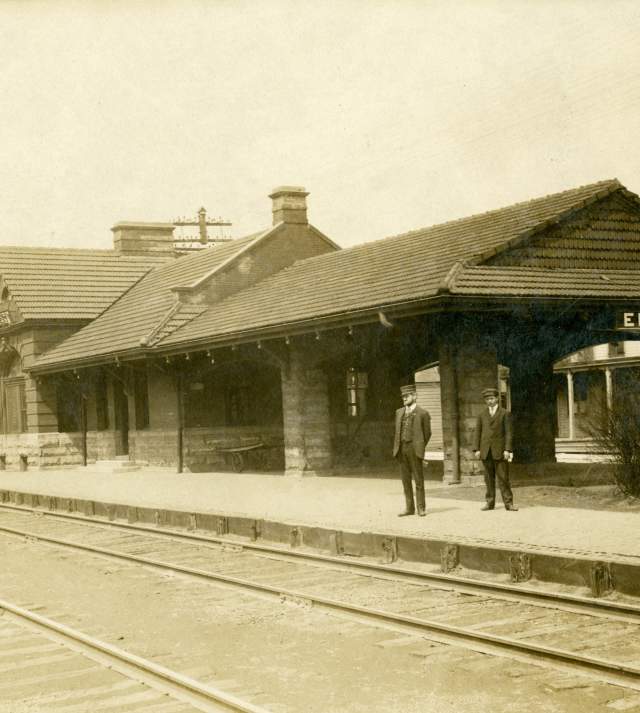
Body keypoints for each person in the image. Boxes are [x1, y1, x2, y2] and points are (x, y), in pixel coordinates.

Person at [472, 387, 518, 511]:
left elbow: (509, 433)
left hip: (500, 451)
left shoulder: (505, 414)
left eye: (492, 398)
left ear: (497, 399)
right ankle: (489, 502)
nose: (489, 401)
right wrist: (476, 449)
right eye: (487, 399)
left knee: (503, 478)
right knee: (488, 478)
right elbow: (477, 432)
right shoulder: (482, 415)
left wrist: (508, 450)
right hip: (486, 451)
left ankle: (508, 503)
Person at [393, 384, 431, 517]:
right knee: (405, 480)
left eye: (407, 396)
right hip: (402, 449)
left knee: (418, 480)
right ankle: (409, 508)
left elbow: (427, 433)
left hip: (415, 450)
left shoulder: (423, 413)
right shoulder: (399, 412)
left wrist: (419, 445)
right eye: (403, 396)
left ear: (415, 396)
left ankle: (421, 508)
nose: (404, 398)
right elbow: (397, 431)